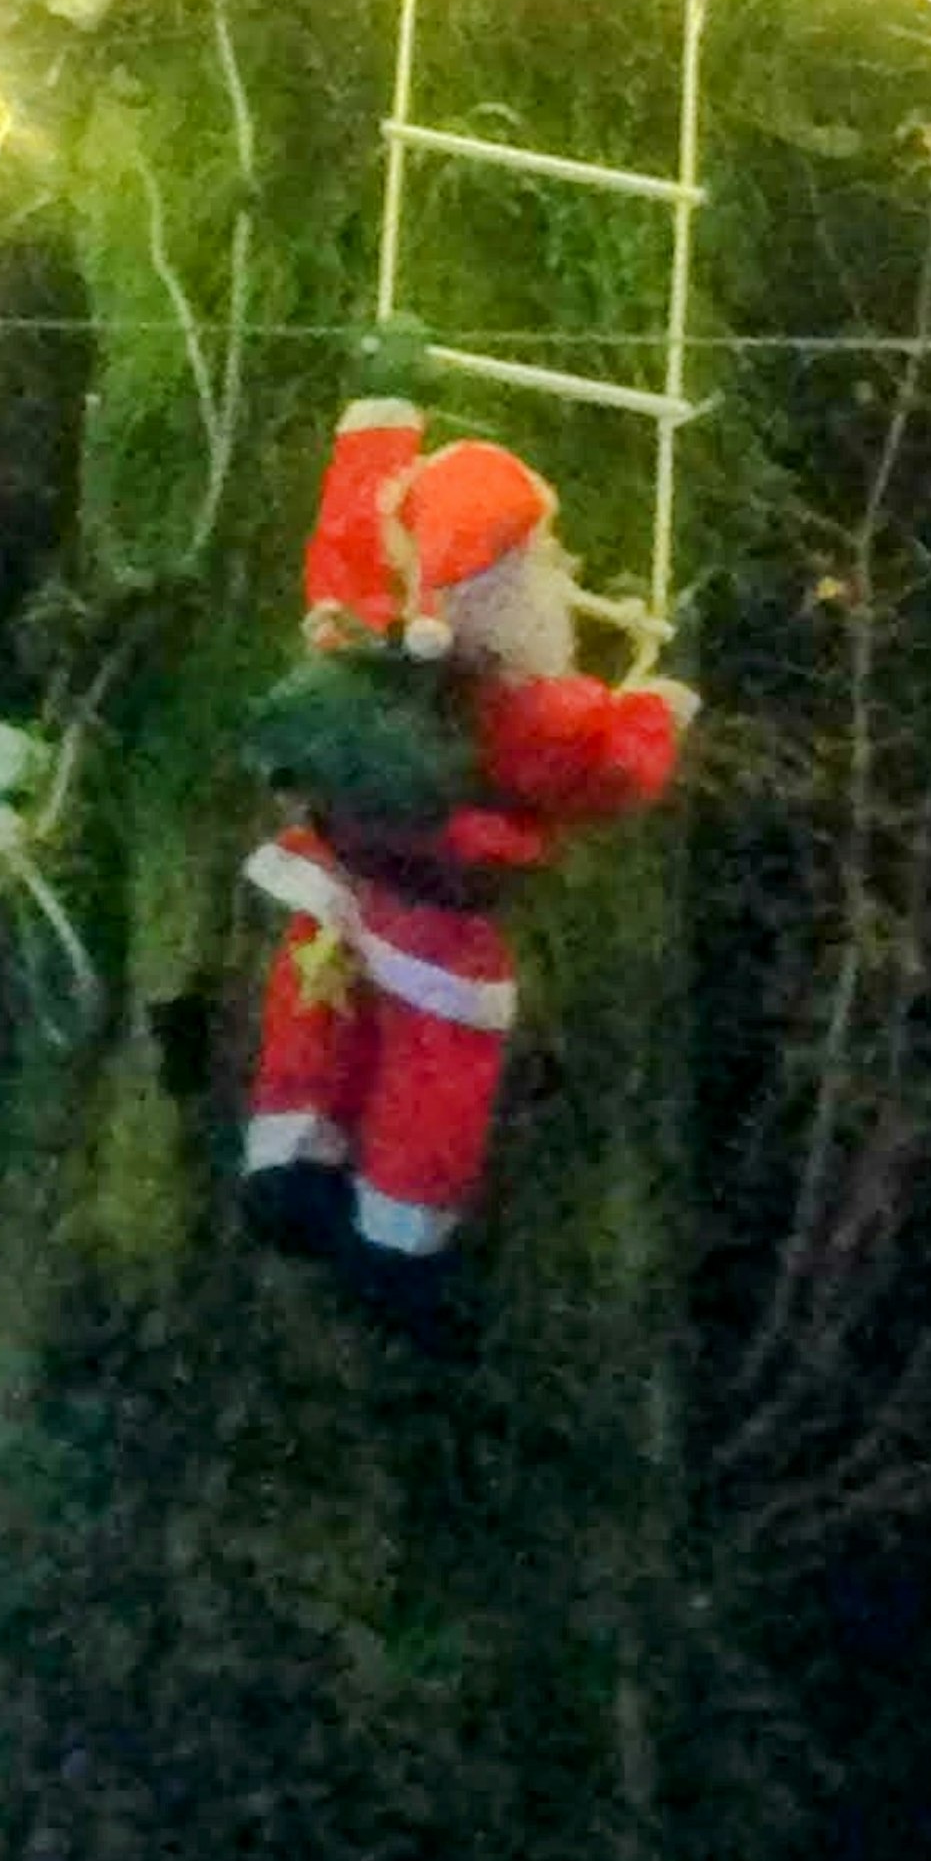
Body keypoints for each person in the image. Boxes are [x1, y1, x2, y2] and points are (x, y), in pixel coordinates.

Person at [238, 387, 694, 1348]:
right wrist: (661, 704)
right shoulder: (537, 712)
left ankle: (290, 1155)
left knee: (318, 1005)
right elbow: (616, 771)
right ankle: (396, 1242)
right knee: (435, 1075)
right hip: (443, 924)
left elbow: (350, 536)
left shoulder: (360, 631)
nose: (565, 567)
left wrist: (378, 419)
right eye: (547, 554)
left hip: (340, 870)